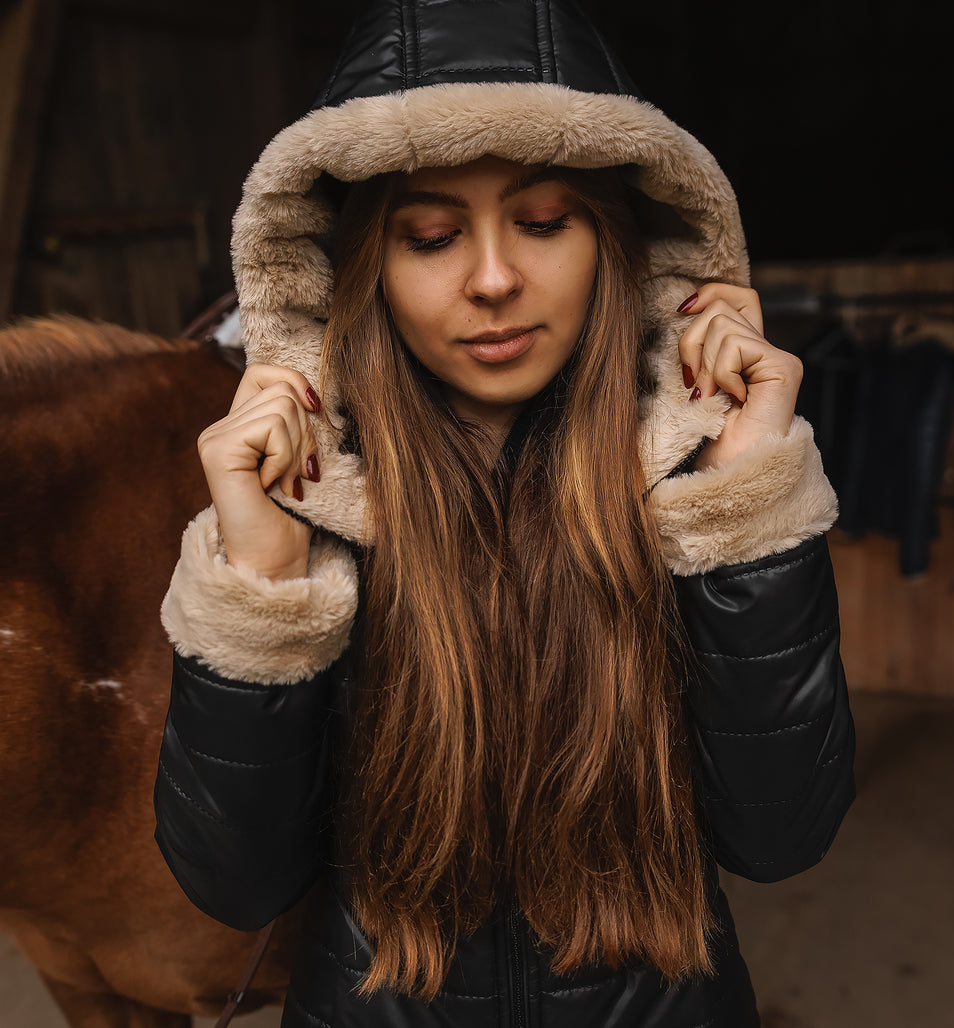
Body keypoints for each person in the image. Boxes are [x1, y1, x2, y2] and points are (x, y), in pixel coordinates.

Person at [154, 1, 855, 1025]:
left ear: (617, 241)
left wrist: (742, 511)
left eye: (542, 221)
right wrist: (262, 585)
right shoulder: (310, 503)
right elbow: (234, 882)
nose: (492, 279)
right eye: (432, 235)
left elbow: (781, 831)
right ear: (363, 269)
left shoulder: (697, 490)